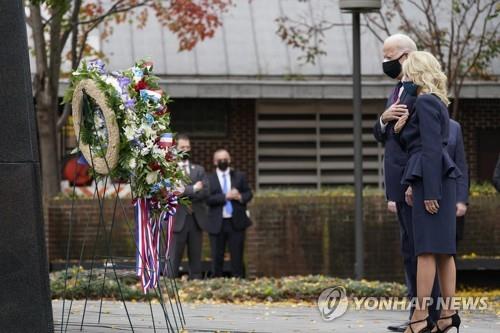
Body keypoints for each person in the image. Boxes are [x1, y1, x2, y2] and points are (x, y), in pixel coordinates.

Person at [373, 34, 439, 333]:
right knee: (409, 248)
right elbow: (383, 134)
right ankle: (417, 312)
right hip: (398, 183)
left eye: (390, 57)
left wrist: (416, 181)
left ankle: (429, 315)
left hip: (413, 180)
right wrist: (384, 120)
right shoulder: (397, 90)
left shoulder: (420, 93)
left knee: (422, 249)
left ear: (407, 56)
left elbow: (423, 144)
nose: (385, 63)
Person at [398, 51, 462, 333]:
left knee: (426, 252)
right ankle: (447, 315)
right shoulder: (434, 101)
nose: (403, 78)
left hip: (432, 182)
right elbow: (423, 147)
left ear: (416, 72)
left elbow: (431, 149)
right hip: (436, 180)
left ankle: (420, 318)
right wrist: (400, 128)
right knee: (444, 253)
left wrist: (429, 191)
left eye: (406, 73)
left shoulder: (423, 102)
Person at [165, 134, 209, 279]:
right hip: (178, 220)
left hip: (196, 220)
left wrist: (185, 190)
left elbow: (206, 191)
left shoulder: (199, 169)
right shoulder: (170, 170)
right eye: (182, 147)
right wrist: (194, 189)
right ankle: (170, 287)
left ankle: (195, 287)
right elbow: (173, 192)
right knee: (173, 257)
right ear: (175, 149)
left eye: (188, 147)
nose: (186, 149)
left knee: (196, 257)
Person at [206, 149, 253, 278]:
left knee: (237, 256)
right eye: (220, 159)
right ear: (215, 162)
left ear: (230, 160)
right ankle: (217, 283)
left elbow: (249, 194)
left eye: (225, 159)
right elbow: (208, 199)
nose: (223, 161)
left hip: (236, 222)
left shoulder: (239, 176)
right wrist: (225, 196)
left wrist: (239, 197)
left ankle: (238, 282)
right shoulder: (209, 178)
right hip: (217, 223)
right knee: (217, 256)